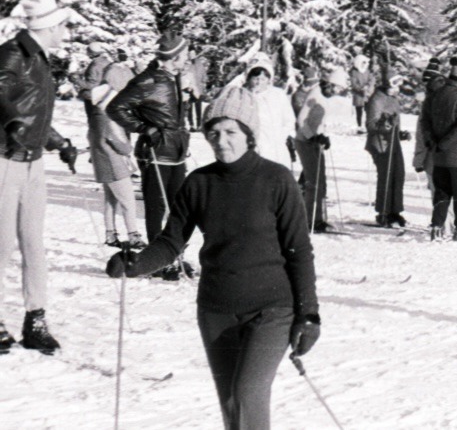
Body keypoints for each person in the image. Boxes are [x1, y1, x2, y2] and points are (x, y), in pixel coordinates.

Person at [106, 86, 320, 430]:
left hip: (272, 309)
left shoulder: (276, 179)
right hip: (216, 309)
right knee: (231, 405)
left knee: (247, 393)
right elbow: (170, 242)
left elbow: (299, 251)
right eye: (213, 132)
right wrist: (136, 263)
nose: (221, 140)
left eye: (231, 131)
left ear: (248, 135)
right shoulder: (198, 183)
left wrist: (308, 314)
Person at [0, 0, 84, 354]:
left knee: (34, 244)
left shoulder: (43, 60)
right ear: (49, 26)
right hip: (4, 158)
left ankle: (35, 319)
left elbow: (35, 114)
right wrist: (11, 124)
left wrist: (59, 142)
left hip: (32, 161)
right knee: (1, 246)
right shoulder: (13, 53)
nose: (66, 30)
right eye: (63, 24)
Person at [107, 27, 193, 279]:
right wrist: (145, 128)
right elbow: (116, 108)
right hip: (156, 152)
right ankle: (157, 262)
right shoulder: (148, 80)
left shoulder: (174, 77)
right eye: (185, 54)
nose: (187, 58)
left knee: (179, 208)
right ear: (174, 56)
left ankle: (175, 256)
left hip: (176, 150)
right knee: (156, 208)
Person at [81, 47, 142, 250]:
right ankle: (133, 235)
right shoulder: (108, 117)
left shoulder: (96, 115)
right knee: (128, 201)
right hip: (115, 164)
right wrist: (127, 146)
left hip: (103, 164)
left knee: (111, 201)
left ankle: (110, 234)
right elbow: (120, 144)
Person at [417, 59, 457, 241]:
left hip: (438, 154)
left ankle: (436, 227)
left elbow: (424, 121)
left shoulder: (435, 95)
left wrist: (432, 142)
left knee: (442, 192)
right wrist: (445, 143)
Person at [364, 74, 408, 227]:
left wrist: (400, 133)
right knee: (386, 176)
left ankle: (395, 211)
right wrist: (387, 125)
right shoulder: (377, 99)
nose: (396, 89)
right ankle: (383, 212)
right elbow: (371, 125)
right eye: (393, 86)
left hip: (393, 142)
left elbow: (395, 122)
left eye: (397, 86)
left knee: (398, 174)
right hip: (380, 144)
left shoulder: (393, 99)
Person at [293, 69, 331, 232]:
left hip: (314, 140)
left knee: (318, 179)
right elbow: (300, 119)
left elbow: (316, 120)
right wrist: (311, 136)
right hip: (303, 140)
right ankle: (310, 218)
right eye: (310, 81)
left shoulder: (319, 95)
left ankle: (317, 217)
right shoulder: (307, 95)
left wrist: (322, 136)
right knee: (312, 181)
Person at [348, 56, 373, 131]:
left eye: (365, 63)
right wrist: (361, 89)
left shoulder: (367, 71)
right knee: (359, 112)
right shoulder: (354, 72)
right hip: (358, 95)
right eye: (363, 62)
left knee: (369, 111)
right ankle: (359, 127)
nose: (364, 64)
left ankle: (368, 126)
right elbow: (353, 83)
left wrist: (368, 86)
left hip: (367, 95)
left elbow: (371, 80)